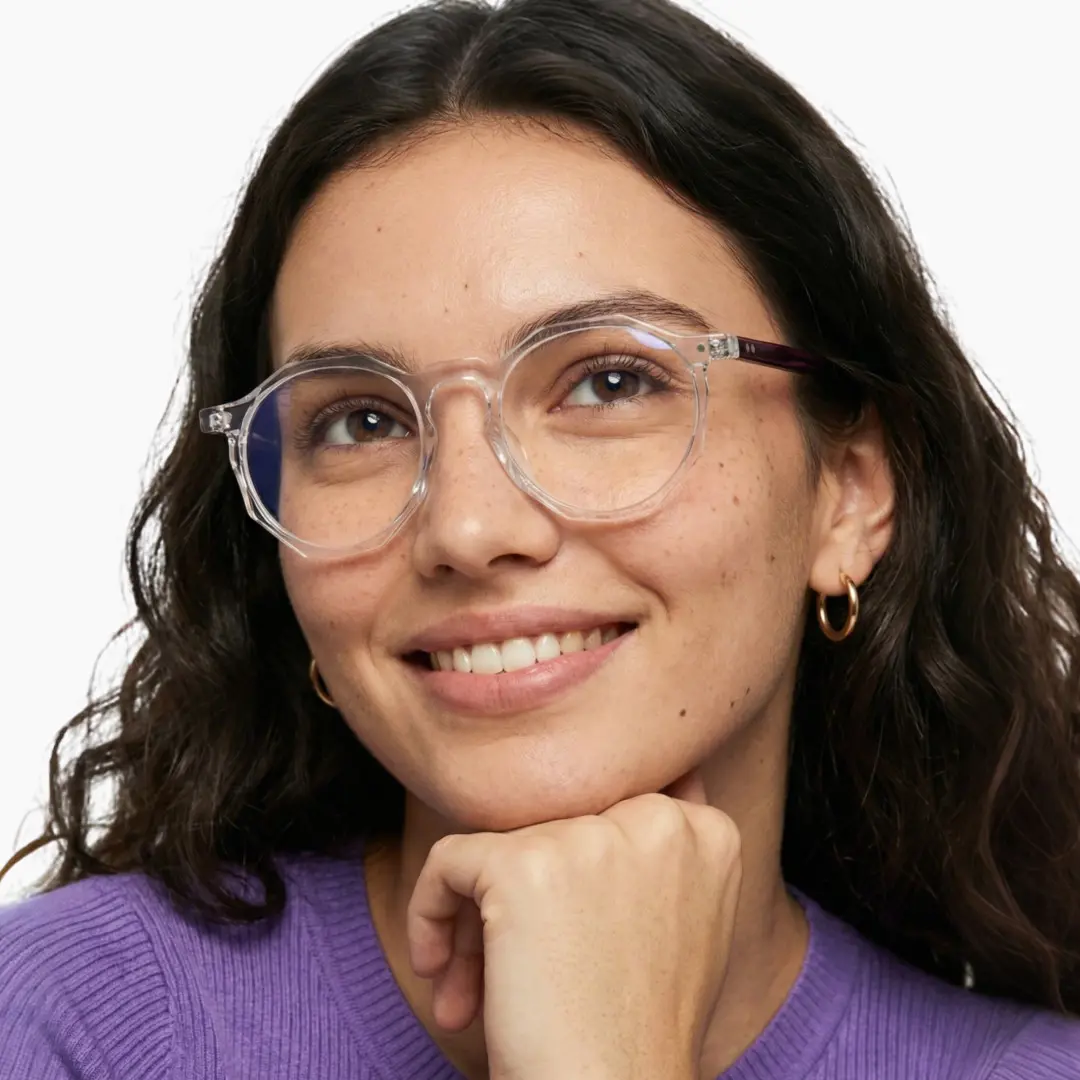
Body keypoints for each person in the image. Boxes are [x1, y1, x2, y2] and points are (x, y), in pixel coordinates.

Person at [2, 0, 1079, 1076]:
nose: (468, 528)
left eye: (610, 383)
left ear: (846, 496)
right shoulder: (72, 1025)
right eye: (361, 421)